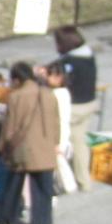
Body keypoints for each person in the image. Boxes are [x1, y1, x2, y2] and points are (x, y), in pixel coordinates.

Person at [0, 61, 59, 224]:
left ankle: (6, 217)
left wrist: (3, 147)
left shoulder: (16, 97)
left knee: (14, 184)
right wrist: (55, 142)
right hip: (45, 146)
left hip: (23, 148)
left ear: (17, 79)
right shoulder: (48, 94)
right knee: (42, 187)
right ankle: (39, 222)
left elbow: (9, 127)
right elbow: (56, 122)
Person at [52, 26, 99, 193]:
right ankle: (84, 180)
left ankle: (62, 181)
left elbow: (57, 77)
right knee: (80, 142)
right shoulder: (88, 55)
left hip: (74, 107)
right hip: (90, 103)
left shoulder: (70, 62)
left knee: (59, 142)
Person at [42, 62, 77, 195]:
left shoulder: (55, 95)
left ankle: (57, 191)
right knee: (57, 165)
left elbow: (55, 120)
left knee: (56, 167)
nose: (46, 78)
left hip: (57, 136)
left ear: (59, 77)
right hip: (63, 134)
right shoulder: (65, 92)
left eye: (49, 75)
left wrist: (56, 142)